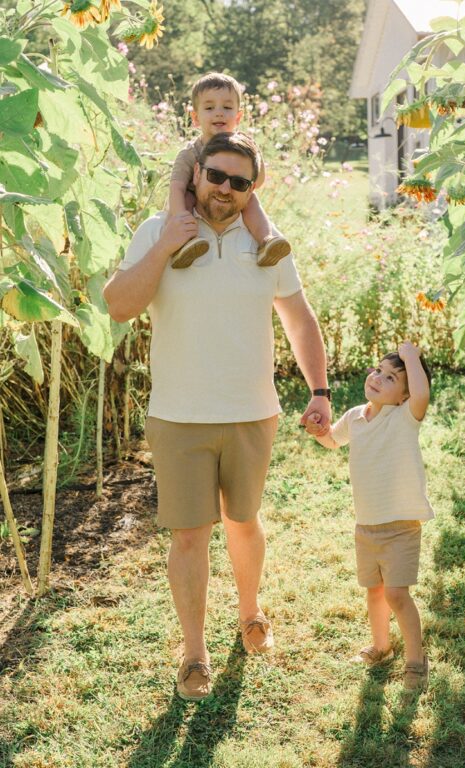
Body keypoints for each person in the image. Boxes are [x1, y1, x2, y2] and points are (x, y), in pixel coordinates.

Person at [103, 132, 331, 702]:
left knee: (243, 521)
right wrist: (165, 246)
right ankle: (194, 654)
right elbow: (119, 305)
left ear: (252, 188)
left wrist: (320, 390)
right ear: (197, 173)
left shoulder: (268, 244)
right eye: (217, 176)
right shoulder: (160, 230)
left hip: (253, 412)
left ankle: (251, 612)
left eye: (239, 181)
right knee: (189, 536)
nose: (226, 189)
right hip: (179, 415)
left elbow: (299, 320)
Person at [312, 342, 434, 692]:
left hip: (400, 526)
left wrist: (411, 357)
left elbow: (422, 393)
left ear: (404, 396)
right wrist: (318, 431)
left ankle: (416, 660)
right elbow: (332, 441)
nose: (379, 378)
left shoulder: (404, 416)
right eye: (378, 370)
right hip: (366, 525)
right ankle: (381, 646)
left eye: (392, 378)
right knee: (375, 591)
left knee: (397, 594)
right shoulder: (355, 417)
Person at [166, 71, 290, 269]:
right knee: (186, 198)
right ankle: (186, 243)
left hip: (230, 197)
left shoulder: (244, 148)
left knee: (251, 199)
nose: (219, 113)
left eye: (227, 107)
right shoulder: (190, 153)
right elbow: (176, 188)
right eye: (209, 107)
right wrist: (179, 217)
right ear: (195, 118)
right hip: (197, 199)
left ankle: (266, 242)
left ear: (238, 116)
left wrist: (254, 153)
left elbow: (257, 182)